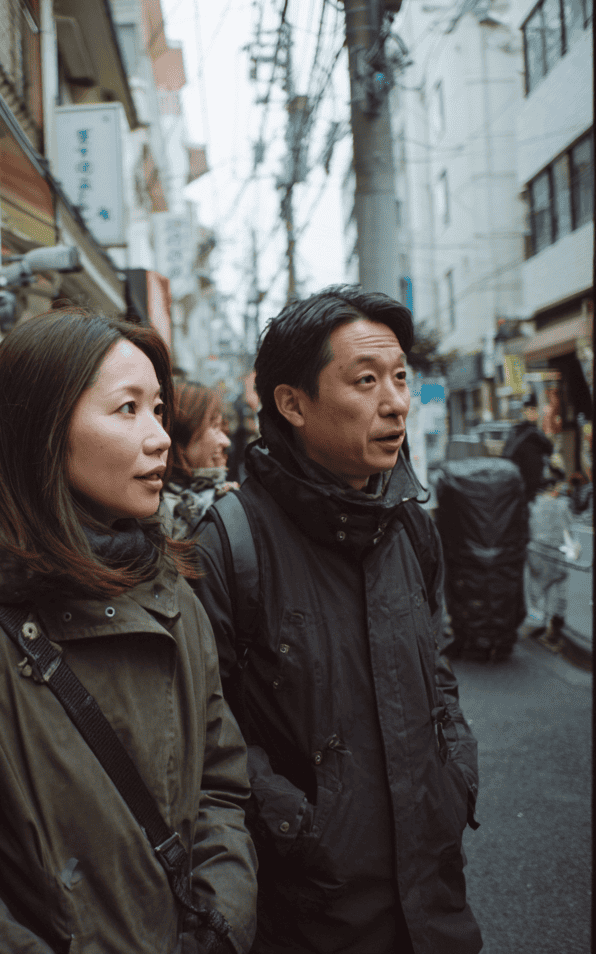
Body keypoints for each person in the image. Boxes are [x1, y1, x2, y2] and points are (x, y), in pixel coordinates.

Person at [0, 308, 258, 954]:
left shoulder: (172, 596)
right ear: (41, 431)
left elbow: (219, 783)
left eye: (159, 410)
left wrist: (219, 925)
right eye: (126, 409)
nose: (160, 437)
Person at [190, 285, 482, 954]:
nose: (396, 402)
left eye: (401, 378)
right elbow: (206, 730)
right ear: (292, 403)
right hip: (310, 907)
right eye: (366, 380)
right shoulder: (229, 544)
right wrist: (294, 821)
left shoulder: (412, 526)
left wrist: (455, 770)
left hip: (436, 900)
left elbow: (436, 669)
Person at [162, 380, 237, 539]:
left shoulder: (224, 499)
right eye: (215, 427)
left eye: (222, 428)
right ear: (180, 441)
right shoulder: (150, 516)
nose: (225, 442)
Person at [503, 395, 554, 503]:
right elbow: (549, 448)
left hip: (521, 482)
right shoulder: (531, 432)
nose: (532, 413)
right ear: (524, 412)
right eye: (530, 410)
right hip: (525, 482)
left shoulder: (516, 431)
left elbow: (549, 449)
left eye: (534, 409)